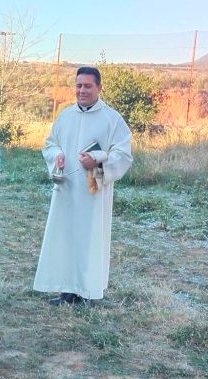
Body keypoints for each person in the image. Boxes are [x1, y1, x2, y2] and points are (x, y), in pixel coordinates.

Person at [33, 66, 133, 305]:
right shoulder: (65, 116)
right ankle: (67, 290)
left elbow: (123, 154)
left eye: (88, 86)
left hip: (93, 188)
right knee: (65, 238)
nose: (82, 90)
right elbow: (50, 144)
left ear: (99, 87)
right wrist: (57, 156)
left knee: (90, 240)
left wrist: (96, 161)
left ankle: (88, 292)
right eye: (78, 86)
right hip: (67, 189)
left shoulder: (112, 119)